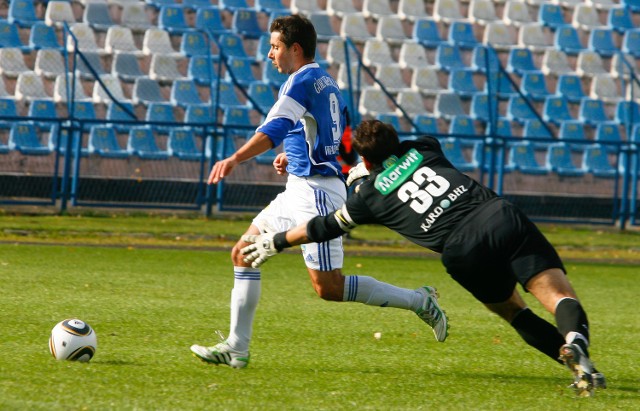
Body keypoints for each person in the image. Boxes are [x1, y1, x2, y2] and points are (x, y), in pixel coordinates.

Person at [240, 120, 606, 397]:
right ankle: (576, 342)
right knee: (556, 294)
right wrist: (369, 165)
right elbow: (409, 148)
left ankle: (575, 368)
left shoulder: (368, 197)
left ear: (365, 159)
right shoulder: (426, 148)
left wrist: (277, 240)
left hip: (462, 251)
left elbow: (324, 227)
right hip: (498, 217)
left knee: (514, 311)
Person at [190, 16, 448, 369]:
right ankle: (237, 347)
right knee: (243, 253)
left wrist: (236, 158)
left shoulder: (300, 81)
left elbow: (276, 127)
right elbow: (337, 142)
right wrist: (294, 153)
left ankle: (420, 301)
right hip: (302, 184)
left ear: (295, 49)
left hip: (317, 195)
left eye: (275, 47)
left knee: (329, 287)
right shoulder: (325, 80)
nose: (270, 55)